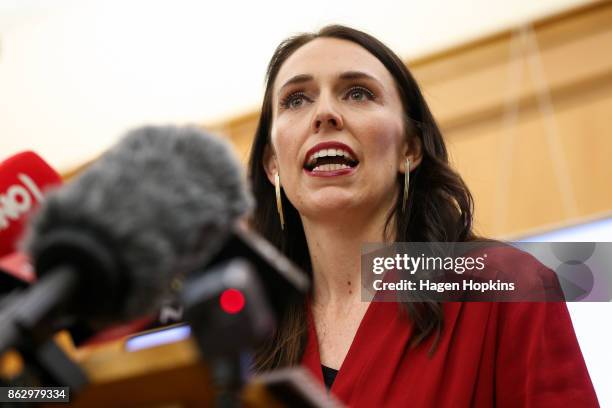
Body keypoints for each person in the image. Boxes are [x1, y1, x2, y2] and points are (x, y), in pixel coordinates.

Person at [247, 25, 598, 407]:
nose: (325, 114)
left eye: (358, 93)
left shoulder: (510, 285)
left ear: (410, 149)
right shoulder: (243, 333)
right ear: (272, 164)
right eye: (296, 100)